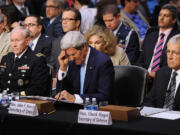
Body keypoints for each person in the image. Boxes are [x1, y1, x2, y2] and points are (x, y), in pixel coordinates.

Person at [55, 31, 114, 103]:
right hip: (72, 109)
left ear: (84, 47)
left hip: (95, 110)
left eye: (73, 54)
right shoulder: (70, 62)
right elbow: (60, 94)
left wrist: (76, 99)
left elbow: (104, 96)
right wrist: (63, 68)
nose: (71, 58)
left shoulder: (103, 61)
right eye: (68, 55)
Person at [0, 26, 50, 96]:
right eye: (12, 40)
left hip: (24, 102)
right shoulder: (6, 58)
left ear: (27, 41)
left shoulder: (37, 59)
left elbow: (38, 88)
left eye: (17, 40)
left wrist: (17, 96)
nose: (14, 44)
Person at [137, 4, 180, 79]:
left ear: (173, 20)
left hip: (165, 78)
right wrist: (144, 73)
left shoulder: (177, 38)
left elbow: (175, 64)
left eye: (166, 16)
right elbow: (141, 59)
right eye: (160, 15)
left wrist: (157, 74)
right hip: (145, 77)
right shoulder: (150, 36)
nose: (161, 18)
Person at [143, 34, 180, 111]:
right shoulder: (161, 73)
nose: (169, 57)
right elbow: (149, 100)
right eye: (168, 51)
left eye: (175, 53)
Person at [49, 8, 81, 89]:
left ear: (77, 23)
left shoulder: (86, 41)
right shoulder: (56, 42)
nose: (64, 22)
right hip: (59, 87)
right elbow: (53, 67)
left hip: (79, 86)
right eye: (62, 19)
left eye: (68, 19)